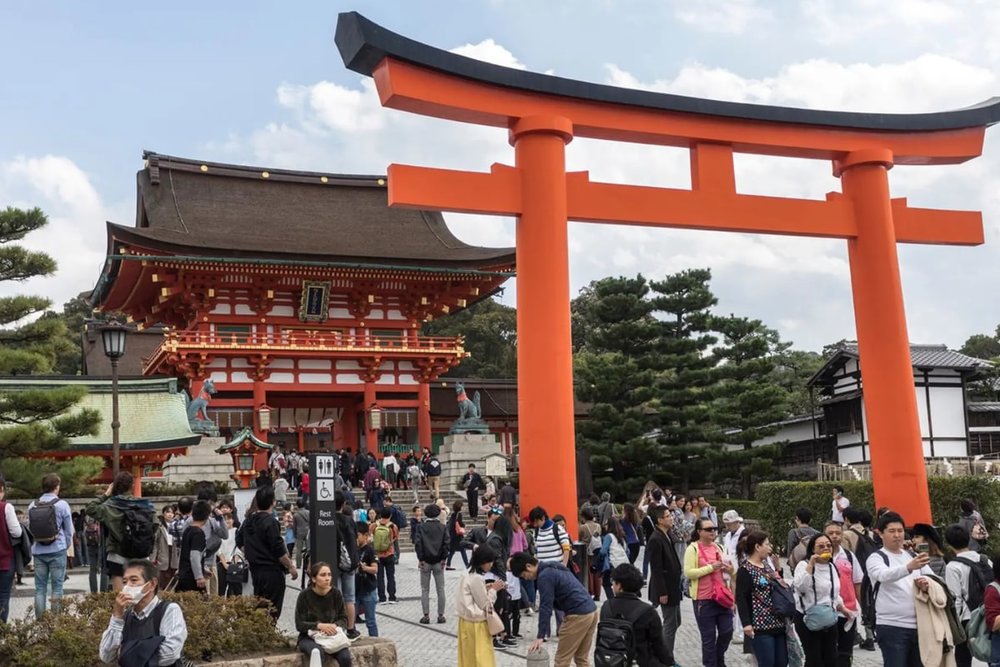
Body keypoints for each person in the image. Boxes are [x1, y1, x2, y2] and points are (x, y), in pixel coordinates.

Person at [866, 511, 934, 667]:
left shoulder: (911, 555)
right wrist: (909, 568)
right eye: (891, 531)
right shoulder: (876, 557)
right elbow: (883, 575)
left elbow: (933, 578)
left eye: (900, 530)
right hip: (892, 626)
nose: (897, 535)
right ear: (880, 534)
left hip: (920, 625)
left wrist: (927, 583)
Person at [512, 551, 598, 666]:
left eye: (523, 575)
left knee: (561, 660)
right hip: (591, 610)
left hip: (577, 615)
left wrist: (540, 636)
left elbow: (545, 606)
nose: (526, 579)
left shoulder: (544, 576)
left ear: (529, 566)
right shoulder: (552, 565)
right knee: (581, 658)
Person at [98, 559, 188, 666]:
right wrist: (117, 616)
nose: (127, 586)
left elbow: (170, 652)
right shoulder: (125, 616)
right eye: (124, 582)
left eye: (134, 580)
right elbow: (106, 656)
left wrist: (125, 653)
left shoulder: (169, 610)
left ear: (152, 584)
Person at [86, 471, 156, 593]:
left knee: (120, 597)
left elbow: (90, 509)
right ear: (132, 486)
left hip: (118, 555)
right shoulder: (145, 506)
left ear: (114, 486)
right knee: (142, 596)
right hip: (141, 554)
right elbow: (155, 525)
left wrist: (106, 494)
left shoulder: (110, 506)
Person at [237, 485, 298, 623]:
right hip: (271, 570)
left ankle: (261, 634)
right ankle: (268, 633)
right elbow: (278, 549)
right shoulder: (270, 522)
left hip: (256, 569)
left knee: (260, 604)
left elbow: (239, 540)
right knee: (273, 607)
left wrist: (252, 552)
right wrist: (291, 567)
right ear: (273, 502)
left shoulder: (249, 520)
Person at [685, 517, 735, 667]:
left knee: (727, 632)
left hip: (722, 597)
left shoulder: (719, 547)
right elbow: (689, 573)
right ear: (699, 532)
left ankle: (719, 658)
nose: (712, 531)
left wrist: (730, 570)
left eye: (714, 529)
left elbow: (730, 573)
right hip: (703, 599)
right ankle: (711, 664)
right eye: (708, 529)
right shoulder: (693, 548)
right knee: (708, 638)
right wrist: (711, 568)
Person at [736, 531, 788, 667]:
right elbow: (741, 597)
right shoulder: (745, 569)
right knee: (767, 662)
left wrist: (778, 569)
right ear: (757, 547)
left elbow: (778, 586)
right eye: (767, 544)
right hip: (760, 625)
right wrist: (746, 623)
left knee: (782, 662)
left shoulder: (767, 565)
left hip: (778, 621)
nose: (770, 547)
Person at [604, 563, 672, 667]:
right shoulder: (648, 612)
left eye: (613, 582)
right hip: (641, 661)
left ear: (619, 585)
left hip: (611, 660)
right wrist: (670, 662)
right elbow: (659, 645)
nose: (612, 585)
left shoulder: (606, 607)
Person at [945, 524, 991, 667]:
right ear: (968, 538)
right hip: (989, 613)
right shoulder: (985, 560)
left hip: (968, 618)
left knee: (963, 657)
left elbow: (955, 598)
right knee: (992, 651)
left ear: (949, 543)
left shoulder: (953, 566)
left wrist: (954, 626)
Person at [28, 472, 74, 613]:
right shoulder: (62, 504)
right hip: (57, 549)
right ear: (56, 487)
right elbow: (69, 531)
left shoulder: (32, 505)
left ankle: (41, 622)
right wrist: (65, 546)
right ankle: (55, 623)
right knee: (57, 587)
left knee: (40, 588)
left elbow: (31, 528)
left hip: (38, 551)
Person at [295, 561, 353, 666]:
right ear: (314, 579)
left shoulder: (336, 593)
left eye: (329, 575)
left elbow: (343, 618)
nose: (327, 578)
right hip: (308, 637)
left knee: (345, 658)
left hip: (332, 636)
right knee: (317, 653)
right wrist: (319, 626)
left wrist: (333, 626)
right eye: (323, 575)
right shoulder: (304, 595)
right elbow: (299, 624)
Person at [646, 505, 683, 665]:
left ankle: (659, 650)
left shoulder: (666, 535)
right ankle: (666, 659)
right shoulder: (655, 539)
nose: (671, 518)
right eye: (668, 516)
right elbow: (656, 569)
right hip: (665, 588)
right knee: (670, 623)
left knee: (676, 621)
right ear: (660, 519)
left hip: (673, 586)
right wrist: (662, 592)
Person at [824, 522, 863, 667]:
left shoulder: (848, 556)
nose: (834, 536)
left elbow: (857, 582)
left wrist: (862, 607)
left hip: (848, 612)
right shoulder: (816, 557)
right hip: (826, 611)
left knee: (845, 652)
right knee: (827, 651)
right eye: (830, 533)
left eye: (838, 533)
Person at [457, 543, 501, 667]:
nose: (491, 565)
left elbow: (470, 593)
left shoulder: (466, 573)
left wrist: (485, 588)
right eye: (489, 562)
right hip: (476, 623)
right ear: (483, 561)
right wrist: (494, 590)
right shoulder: (477, 578)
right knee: (482, 658)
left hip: (464, 622)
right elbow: (486, 605)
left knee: (468, 657)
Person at [416, 501, 449, 624]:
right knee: (440, 588)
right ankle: (441, 615)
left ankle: (426, 615)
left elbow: (418, 544)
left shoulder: (421, 527)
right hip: (438, 562)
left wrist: (420, 559)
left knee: (425, 589)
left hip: (425, 561)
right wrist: (444, 559)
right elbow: (447, 544)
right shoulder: (442, 527)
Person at [0, 476, 22, 623]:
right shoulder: (6, 508)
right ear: (2, 489)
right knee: (3, 596)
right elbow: (17, 532)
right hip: (5, 560)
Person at [176, 500, 209, 593]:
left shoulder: (188, 530)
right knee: (200, 604)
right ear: (207, 516)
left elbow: (183, 552)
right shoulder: (198, 533)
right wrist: (199, 576)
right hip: (192, 578)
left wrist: (204, 569)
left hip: (184, 573)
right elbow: (194, 556)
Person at [355, 521, 380, 637]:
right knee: (350, 621)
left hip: (368, 589)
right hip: (355, 590)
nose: (356, 538)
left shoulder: (369, 550)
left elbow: (375, 569)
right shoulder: (352, 549)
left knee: (370, 621)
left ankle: (375, 640)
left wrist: (365, 568)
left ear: (365, 535)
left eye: (358, 535)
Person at [374, 508, 399, 604]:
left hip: (378, 555)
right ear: (390, 516)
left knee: (380, 577)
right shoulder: (393, 526)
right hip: (389, 553)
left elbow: (371, 537)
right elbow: (395, 537)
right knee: (390, 576)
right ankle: (392, 597)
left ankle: (382, 598)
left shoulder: (374, 525)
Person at [150, 505, 175, 591]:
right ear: (163, 514)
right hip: (163, 553)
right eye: (168, 512)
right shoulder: (160, 526)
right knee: (162, 580)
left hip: (174, 554)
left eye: (172, 512)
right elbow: (155, 543)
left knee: (172, 581)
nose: (170, 514)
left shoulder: (177, 525)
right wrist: (153, 558)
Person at [217, 511, 243, 597]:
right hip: (222, 563)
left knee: (235, 589)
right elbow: (218, 549)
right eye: (225, 519)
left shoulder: (237, 531)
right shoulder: (220, 534)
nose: (227, 521)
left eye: (229, 519)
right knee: (221, 588)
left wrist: (234, 561)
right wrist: (224, 563)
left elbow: (239, 547)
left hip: (235, 563)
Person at [447, 500, 469, 570]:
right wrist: (464, 525)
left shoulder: (453, 514)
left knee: (452, 550)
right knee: (462, 550)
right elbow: (460, 522)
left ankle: (448, 564)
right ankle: (467, 565)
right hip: (458, 535)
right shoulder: (459, 514)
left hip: (453, 534)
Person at [293, 502, 310, 571]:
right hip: (308, 532)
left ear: (297, 506)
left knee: (298, 550)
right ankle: (308, 563)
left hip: (299, 532)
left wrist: (295, 534)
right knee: (309, 549)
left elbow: (294, 526)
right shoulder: (308, 512)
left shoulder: (296, 514)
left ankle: (298, 564)